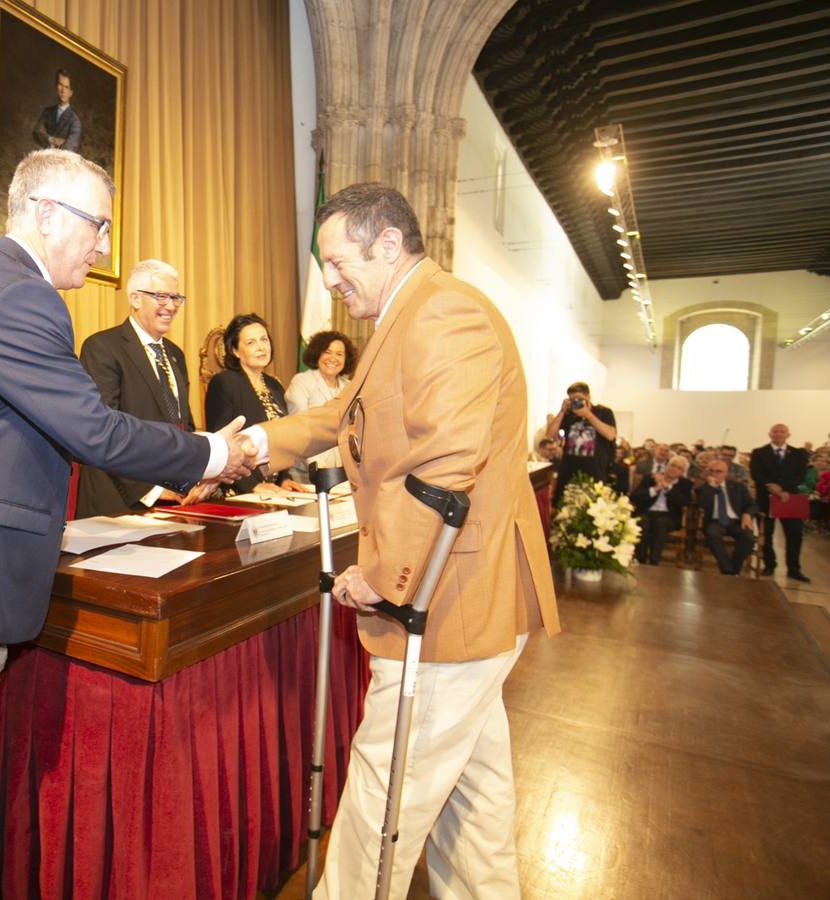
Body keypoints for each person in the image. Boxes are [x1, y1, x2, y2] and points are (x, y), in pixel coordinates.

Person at [0, 149, 253, 900]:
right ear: (46, 214)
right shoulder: (21, 300)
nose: (102, 247)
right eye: (97, 227)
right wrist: (214, 450)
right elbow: (92, 432)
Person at [244, 182, 559, 899]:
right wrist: (252, 444)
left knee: (381, 807)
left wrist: (384, 576)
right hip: (459, 605)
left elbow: (446, 468)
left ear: (387, 245)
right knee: (473, 813)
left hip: (446, 604)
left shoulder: (444, 314)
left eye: (334, 261)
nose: (328, 281)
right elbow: (339, 418)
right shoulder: (405, 315)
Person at [75, 259, 197, 517]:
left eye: (176, 298)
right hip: (118, 504)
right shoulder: (102, 348)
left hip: (174, 500)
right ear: (136, 299)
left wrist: (195, 475)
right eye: (162, 297)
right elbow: (103, 431)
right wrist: (150, 490)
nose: (172, 307)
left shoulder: (176, 355)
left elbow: (183, 423)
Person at [204, 313, 308, 496]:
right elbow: (222, 444)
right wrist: (252, 486)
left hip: (274, 489)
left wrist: (284, 479)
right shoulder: (223, 383)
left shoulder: (274, 385)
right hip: (239, 490)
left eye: (264, 340)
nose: (261, 347)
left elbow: (280, 438)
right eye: (251, 342)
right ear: (235, 350)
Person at [284, 330, 357, 482]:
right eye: (327, 352)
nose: (333, 358)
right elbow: (299, 428)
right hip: (307, 473)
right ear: (317, 354)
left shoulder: (350, 387)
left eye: (339, 354)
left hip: (343, 473)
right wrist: (320, 470)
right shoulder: (302, 382)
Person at [750, 423, 811, 582]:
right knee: (767, 533)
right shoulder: (759, 452)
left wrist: (783, 488)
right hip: (766, 497)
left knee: (795, 534)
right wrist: (772, 487)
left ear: (788, 435)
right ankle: (769, 564)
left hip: (789, 498)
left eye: (782, 432)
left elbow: (801, 475)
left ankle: (794, 569)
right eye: (775, 432)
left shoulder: (798, 454)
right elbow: (756, 473)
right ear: (769, 434)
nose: (778, 434)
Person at [546, 381, 616, 504]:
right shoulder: (568, 415)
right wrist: (562, 411)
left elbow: (610, 435)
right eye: (572, 399)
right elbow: (549, 434)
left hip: (594, 475)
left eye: (580, 399)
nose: (576, 402)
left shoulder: (603, 412)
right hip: (569, 474)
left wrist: (588, 415)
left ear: (588, 397)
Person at [695, 459, 757, 575]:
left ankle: (733, 568)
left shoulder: (738, 487)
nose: (714, 474)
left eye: (718, 471)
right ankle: (727, 568)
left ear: (726, 473)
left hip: (736, 521)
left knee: (748, 538)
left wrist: (747, 514)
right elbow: (701, 504)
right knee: (712, 533)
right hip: (715, 521)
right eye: (711, 471)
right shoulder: (703, 488)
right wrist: (712, 487)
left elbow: (752, 504)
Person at [628, 457, 691, 565]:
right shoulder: (650, 478)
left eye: (679, 468)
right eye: (672, 465)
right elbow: (634, 497)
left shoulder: (685, 484)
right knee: (643, 521)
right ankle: (640, 558)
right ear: (666, 465)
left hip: (669, 516)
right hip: (647, 512)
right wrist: (656, 488)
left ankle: (654, 560)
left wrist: (668, 488)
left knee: (661, 523)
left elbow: (684, 502)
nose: (673, 469)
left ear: (682, 472)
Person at [32, 69, 81, 153]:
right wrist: (52, 140)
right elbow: (37, 132)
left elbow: (69, 149)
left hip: (63, 163)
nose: (63, 91)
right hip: (45, 159)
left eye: (66, 87)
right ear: (56, 86)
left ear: (71, 93)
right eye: (60, 85)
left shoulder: (75, 121)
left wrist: (48, 141)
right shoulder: (47, 112)